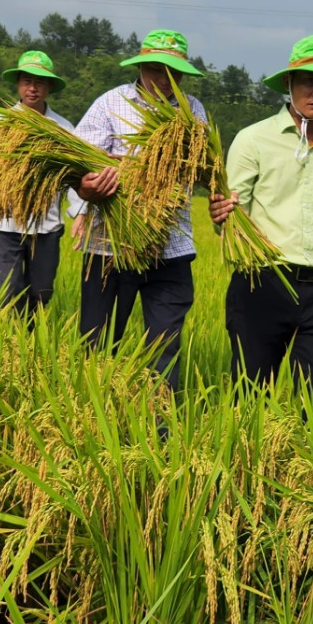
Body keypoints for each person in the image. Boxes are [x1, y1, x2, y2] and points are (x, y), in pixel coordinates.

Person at [208, 35, 313, 404]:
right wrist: (221, 216)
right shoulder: (252, 140)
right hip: (260, 284)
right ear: (289, 83)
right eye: (310, 81)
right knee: (250, 399)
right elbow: (231, 213)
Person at [73, 29, 207, 391]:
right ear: (141, 67)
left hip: (171, 247)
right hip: (110, 244)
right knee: (98, 342)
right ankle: (91, 413)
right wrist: (87, 191)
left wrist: (132, 165)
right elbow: (78, 168)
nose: (163, 79)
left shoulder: (193, 110)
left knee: (165, 346)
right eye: (155, 69)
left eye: (172, 71)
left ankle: (162, 431)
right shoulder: (110, 103)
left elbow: (199, 167)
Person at [0, 51, 75, 318]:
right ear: (18, 84)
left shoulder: (63, 128)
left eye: (39, 82)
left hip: (45, 225)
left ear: (49, 87)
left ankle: (32, 341)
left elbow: (73, 178)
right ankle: (12, 346)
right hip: (4, 223)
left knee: (41, 293)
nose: (32, 88)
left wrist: (79, 214)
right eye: (27, 81)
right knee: (9, 292)